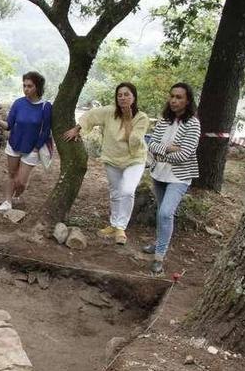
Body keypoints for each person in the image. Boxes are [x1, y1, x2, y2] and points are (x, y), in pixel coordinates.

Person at [63, 82, 149, 245]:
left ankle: (121, 227)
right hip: (112, 158)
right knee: (116, 192)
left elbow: (135, 143)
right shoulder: (109, 112)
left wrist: (128, 120)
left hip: (134, 159)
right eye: (120, 95)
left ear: (134, 97)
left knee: (127, 190)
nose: (123, 98)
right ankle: (114, 224)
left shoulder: (141, 118)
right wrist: (76, 129)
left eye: (127, 94)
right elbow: (91, 115)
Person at [143, 83, 201, 275]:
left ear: (187, 100)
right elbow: (152, 145)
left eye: (179, 97)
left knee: (166, 213)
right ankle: (159, 243)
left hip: (180, 176)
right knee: (161, 211)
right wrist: (170, 148)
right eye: (172, 96)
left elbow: (185, 155)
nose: (174, 100)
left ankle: (159, 257)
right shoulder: (163, 121)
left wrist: (163, 149)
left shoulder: (193, 123)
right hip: (159, 173)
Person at [0, 71, 52, 211]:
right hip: (14, 144)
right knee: (11, 174)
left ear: (38, 87)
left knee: (21, 181)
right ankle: (7, 202)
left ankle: (17, 195)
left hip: (32, 148)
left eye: (30, 86)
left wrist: (37, 147)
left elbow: (46, 130)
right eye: (24, 86)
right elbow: (8, 125)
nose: (26, 89)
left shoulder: (45, 106)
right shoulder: (18, 103)